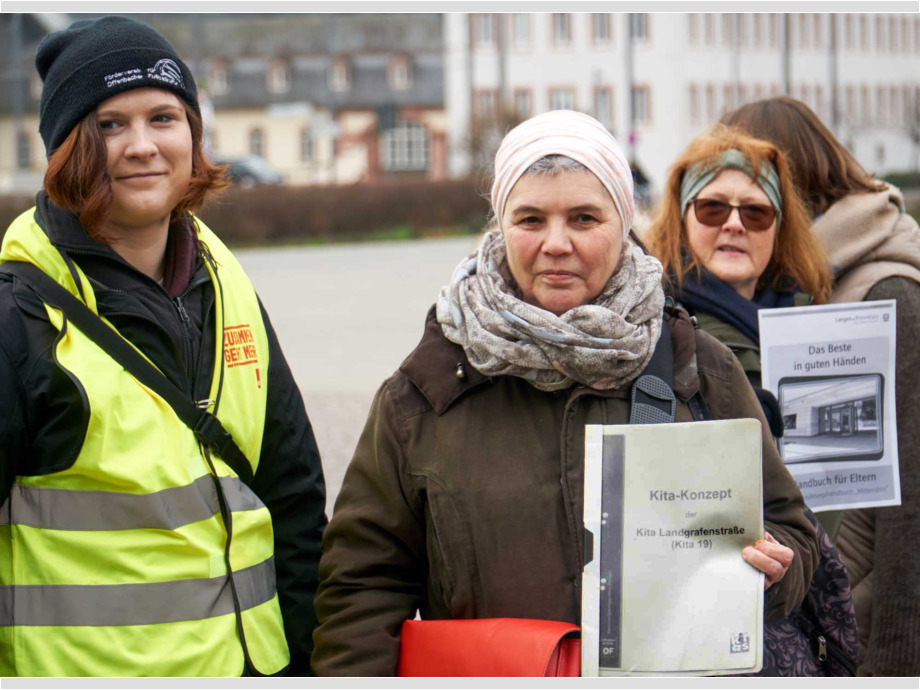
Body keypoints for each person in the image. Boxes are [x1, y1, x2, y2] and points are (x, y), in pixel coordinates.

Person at [310, 110, 818, 676]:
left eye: (583, 218)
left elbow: (791, 530)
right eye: (530, 219)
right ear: (500, 225)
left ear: (623, 223)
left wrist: (771, 568)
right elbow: (362, 587)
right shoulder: (426, 390)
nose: (556, 243)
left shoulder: (699, 368)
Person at [0, 17, 326, 676]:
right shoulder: (20, 313)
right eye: (110, 124)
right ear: (66, 147)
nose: (141, 145)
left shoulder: (224, 278)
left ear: (193, 136)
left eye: (164, 117)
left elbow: (292, 495)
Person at [722, 96, 920, 677]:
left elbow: (913, 509)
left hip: (868, 632)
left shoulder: (887, 292)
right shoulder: (790, 284)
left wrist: (896, 664)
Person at [644, 124, 833, 437]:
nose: (734, 225)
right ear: (681, 219)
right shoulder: (649, 323)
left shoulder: (814, 313)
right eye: (713, 208)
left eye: (755, 211)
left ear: (779, 228)